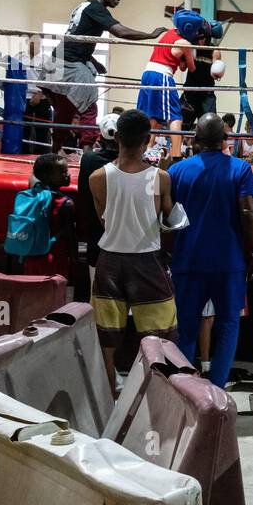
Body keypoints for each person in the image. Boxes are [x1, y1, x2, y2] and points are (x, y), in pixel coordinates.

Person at [168, 113, 253, 387]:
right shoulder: (239, 169)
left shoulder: (177, 171)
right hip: (227, 261)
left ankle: (184, 389)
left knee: (186, 327)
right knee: (228, 325)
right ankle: (218, 388)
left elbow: (166, 215)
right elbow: (248, 212)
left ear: (195, 139)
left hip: (188, 260)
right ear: (226, 139)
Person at [88, 109, 177, 389]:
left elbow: (103, 219)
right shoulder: (159, 178)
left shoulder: (97, 177)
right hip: (146, 260)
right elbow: (169, 218)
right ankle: (155, 393)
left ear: (116, 138)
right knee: (160, 333)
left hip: (110, 260)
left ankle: (107, 394)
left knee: (106, 334)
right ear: (146, 140)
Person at [54, 0, 166, 154]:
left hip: (58, 60)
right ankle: (88, 156)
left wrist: (92, 60)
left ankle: (55, 150)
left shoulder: (83, 5)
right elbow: (120, 32)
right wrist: (150, 35)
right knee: (90, 108)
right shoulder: (97, 8)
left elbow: (79, 35)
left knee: (65, 111)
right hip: (70, 63)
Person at [137, 13, 208, 163]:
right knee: (175, 116)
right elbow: (191, 67)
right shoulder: (185, 44)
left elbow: (180, 66)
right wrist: (191, 52)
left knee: (153, 115)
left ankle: (146, 149)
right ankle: (176, 155)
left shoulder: (170, 33)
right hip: (162, 76)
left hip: (147, 73)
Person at [74, 113, 120, 303]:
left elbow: (83, 195)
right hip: (124, 235)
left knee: (97, 290)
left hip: (95, 231)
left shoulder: (89, 160)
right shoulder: (134, 164)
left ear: (100, 137)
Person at [13, 153, 76, 277]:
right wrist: (74, 259)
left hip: (31, 256)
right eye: (62, 172)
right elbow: (70, 235)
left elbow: (33, 177)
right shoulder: (66, 203)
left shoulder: (33, 195)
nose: (68, 174)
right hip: (54, 259)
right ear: (47, 177)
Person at [180, 21, 224, 130]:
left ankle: (213, 147)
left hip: (207, 93)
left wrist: (218, 72)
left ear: (207, 36)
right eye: (199, 38)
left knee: (210, 126)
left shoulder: (214, 51)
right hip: (190, 92)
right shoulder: (191, 48)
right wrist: (184, 57)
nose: (201, 41)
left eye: (203, 38)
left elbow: (215, 75)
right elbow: (182, 68)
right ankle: (178, 147)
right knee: (182, 125)